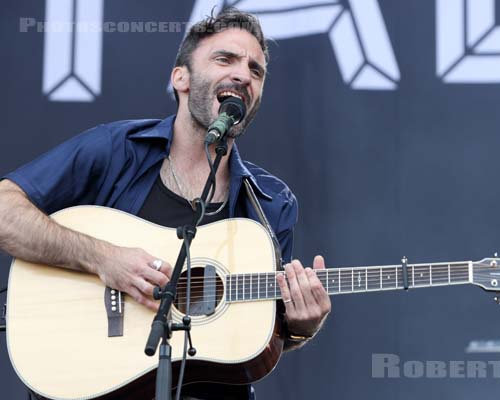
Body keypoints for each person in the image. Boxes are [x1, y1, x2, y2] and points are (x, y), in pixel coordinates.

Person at [0, 8, 331, 400]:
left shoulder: (271, 203)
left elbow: (256, 333)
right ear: (181, 79)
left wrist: (298, 328)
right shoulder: (115, 150)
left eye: (256, 71)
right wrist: (102, 257)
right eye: (225, 59)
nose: (243, 75)